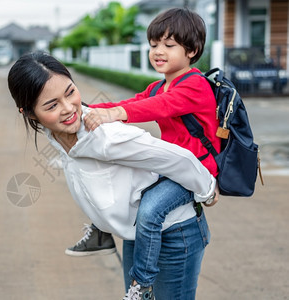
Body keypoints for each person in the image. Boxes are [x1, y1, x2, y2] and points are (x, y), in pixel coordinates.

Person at [7, 51, 216, 299]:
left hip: (174, 233)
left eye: (70, 92)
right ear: (30, 113)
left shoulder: (107, 138)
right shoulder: (57, 135)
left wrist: (207, 190)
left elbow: (180, 159)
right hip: (137, 234)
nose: (68, 108)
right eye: (52, 105)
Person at [66, 7, 221, 298]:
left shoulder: (195, 85)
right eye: (153, 45)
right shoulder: (160, 85)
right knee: (121, 192)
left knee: (150, 210)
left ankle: (142, 284)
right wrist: (81, 110)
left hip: (195, 170)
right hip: (170, 167)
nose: (158, 51)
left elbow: (155, 108)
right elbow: (134, 101)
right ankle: (102, 233)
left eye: (168, 45)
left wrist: (115, 114)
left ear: (193, 50)